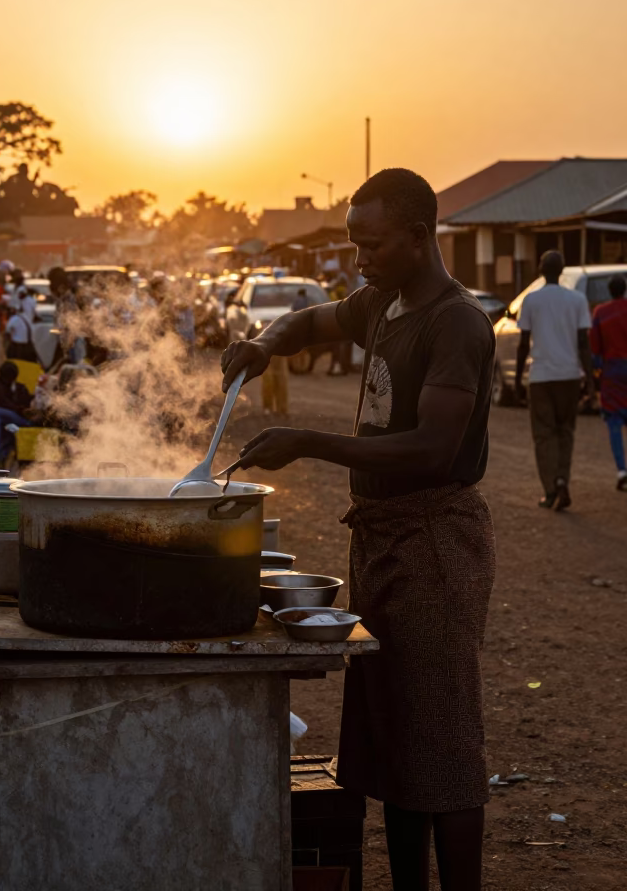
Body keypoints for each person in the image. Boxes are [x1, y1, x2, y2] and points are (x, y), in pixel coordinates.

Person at [222, 168, 495, 891]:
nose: (358, 259)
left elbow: (433, 447)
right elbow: (312, 320)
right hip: (381, 534)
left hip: (435, 539)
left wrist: (309, 440)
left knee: (444, 741)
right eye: (353, 244)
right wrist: (263, 342)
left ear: (417, 236)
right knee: (395, 740)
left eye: (370, 245)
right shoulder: (384, 302)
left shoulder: (455, 322)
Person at [515, 251, 594, 511]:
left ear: (540, 269)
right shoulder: (577, 300)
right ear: (561, 270)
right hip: (570, 376)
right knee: (565, 432)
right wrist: (591, 383)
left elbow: (523, 344)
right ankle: (562, 479)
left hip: (541, 377)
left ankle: (550, 490)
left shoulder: (531, 300)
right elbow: (583, 344)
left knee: (544, 435)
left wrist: (517, 379)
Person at [590, 274, 627, 491]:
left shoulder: (601, 313)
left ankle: (622, 470)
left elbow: (595, 351)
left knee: (613, 422)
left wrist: (595, 372)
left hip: (612, 372)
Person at [0, 361, 33, 465]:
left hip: (22, 419)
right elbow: (2, 402)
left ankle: (2, 453)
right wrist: (18, 409)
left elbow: (27, 403)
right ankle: (1, 453)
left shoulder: (20, 388)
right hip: (9, 418)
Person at [4, 290, 38, 362]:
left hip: (17, 347)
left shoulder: (14, 319)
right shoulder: (28, 318)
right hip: (28, 346)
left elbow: (7, 331)